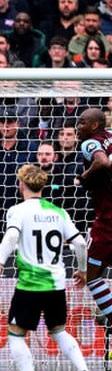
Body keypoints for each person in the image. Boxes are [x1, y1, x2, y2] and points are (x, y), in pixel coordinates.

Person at [0, 164, 94, 371]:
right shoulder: (59, 212)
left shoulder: (18, 210)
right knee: (58, 331)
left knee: (16, 334)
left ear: (21, 185)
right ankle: (84, 370)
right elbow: (79, 243)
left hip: (30, 284)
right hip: (56, 284)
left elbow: (13, 235)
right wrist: (83, 270)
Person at [74, 108, 112, 325]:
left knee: (92, 274)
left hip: (107, 219)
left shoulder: (89, 143)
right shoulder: (110, 136)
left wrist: (83, 177)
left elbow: (102, 162)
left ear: (95, 125)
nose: (78, 127)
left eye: (82, 123)